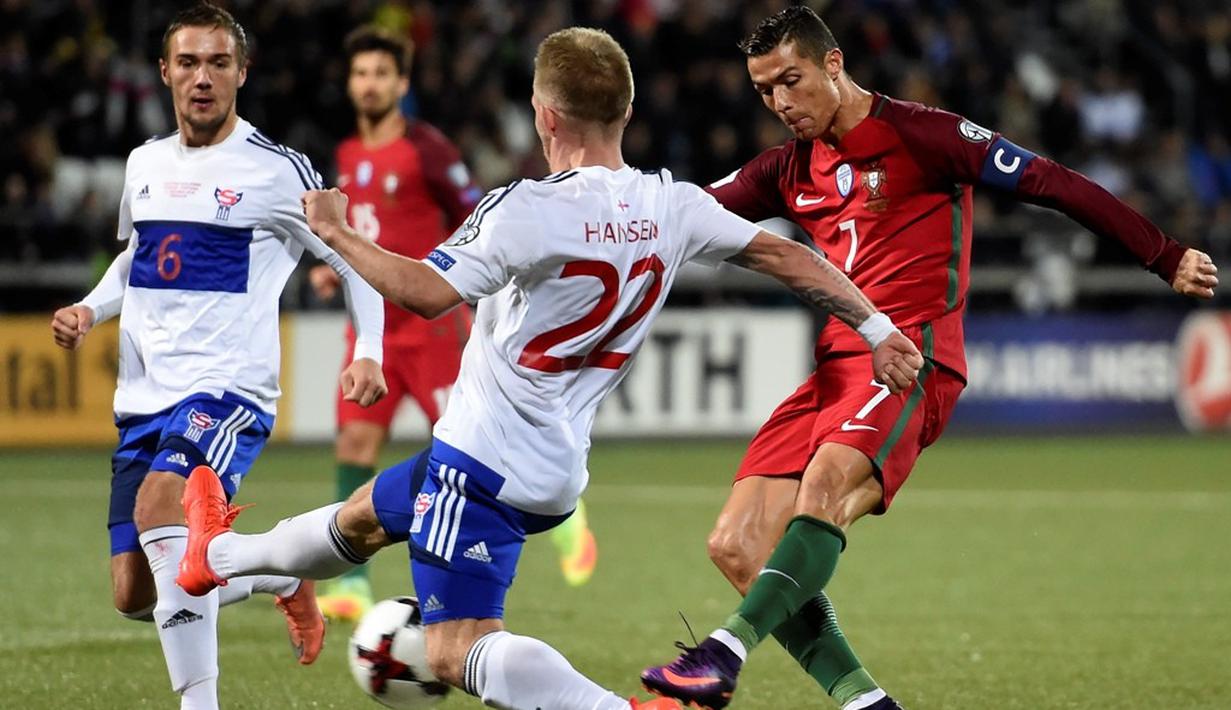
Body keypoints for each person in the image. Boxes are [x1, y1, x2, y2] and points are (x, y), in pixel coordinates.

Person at [173, 26, 922, 710]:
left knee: (452, 647)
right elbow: (785, 254)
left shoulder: (526, 208)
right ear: (624, 113)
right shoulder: (672, 204)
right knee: (367, 513)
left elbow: (425, 293)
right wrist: (878, 327)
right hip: (553, 465)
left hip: (484, 460)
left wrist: (335, 231)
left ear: (545, 115)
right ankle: (220, 556)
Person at [640, 7, 1221, 710]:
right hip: (833, 370)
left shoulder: (923, 135)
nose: (779, 103)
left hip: (910, 358)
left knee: (822, 490)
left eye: (790, 81)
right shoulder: (786, 169)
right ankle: (867, 705)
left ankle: (720, 654)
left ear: (832, 64)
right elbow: (683, 214)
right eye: (764, 90)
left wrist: (1160, 254)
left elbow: (1052, 182)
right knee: (736, 544)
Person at [49, 4, 387, 709]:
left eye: (218, 63)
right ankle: (274, 575)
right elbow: (137, 258)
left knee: (160, 506)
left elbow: (356, 262)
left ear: (242, 72)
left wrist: (369, 350)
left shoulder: (276, 170)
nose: (202, 77)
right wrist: (90, 307)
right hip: (142, 396)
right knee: (133, 591)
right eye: (190, 62)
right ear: (166, 70)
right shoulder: (144, 163)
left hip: (226, 390)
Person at [311, 27, 602, 622]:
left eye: (381, 74)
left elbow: (479, 221)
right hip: (372, 331)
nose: (370, 84)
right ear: (349, 83)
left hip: (434, 330)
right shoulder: (343, 155)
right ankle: (353, 583)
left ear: (402, 84)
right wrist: (329, 275)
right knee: (356, 443)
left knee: (477, 447)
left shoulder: (429, 150)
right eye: (361, 73)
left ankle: (572, 523)